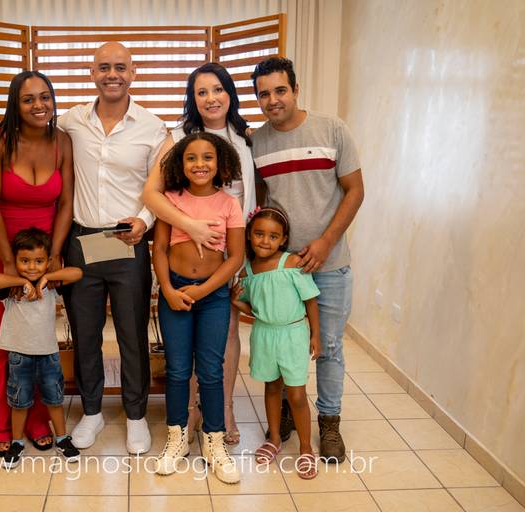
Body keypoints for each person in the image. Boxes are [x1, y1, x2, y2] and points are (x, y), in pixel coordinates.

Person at [0, 43, 167, 454]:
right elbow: (24, 121)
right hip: (81, 241)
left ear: (133, 72)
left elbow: (161, 186)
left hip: (125, 241)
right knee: (84, 333)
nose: (112, 74)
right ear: (91, 73)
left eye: (120, 67)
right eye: (104, 67)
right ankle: (91, 412)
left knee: (132, 333)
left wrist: (145, 221)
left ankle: (135, 416)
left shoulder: (153, 127)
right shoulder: (71, 122)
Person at [250, 57, 364, 463]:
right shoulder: (256, 142)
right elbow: (259, 204)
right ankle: (284, 409)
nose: (273, 100)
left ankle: (329, 422)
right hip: (281, 270)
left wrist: (326, 242)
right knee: (282, 343)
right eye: (264, 94)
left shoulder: (332, 129)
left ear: (296, 90)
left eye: (280, 90)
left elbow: (355, 190)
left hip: (328, 265)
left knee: (327, 346)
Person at [141, 62, 257, 445]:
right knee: (187, 344)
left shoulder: (246, 138)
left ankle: (224, 408)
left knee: (225, 335)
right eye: (201, 92)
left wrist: (241, 259)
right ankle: (189, 412)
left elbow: (249, 197)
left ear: (230, 94)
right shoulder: (178, 137)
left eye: (218, 89)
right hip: (184, 250)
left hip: (230, 249)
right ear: (192, 99)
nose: (211, 98)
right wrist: (190, 226)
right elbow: (152, 193)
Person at [0, 70, 74, 457]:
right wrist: (8, 264)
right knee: (4, 337)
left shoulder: (62, 141)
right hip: (0, 248)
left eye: (45, 97)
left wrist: (54, 254)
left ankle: (35, 420)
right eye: (28, 99)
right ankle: (0, 423)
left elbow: (65, 203)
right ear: (14, 104)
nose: (39, 105)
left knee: (38, 335)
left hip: (42, 251)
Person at [151, 132, 245, 484]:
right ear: (181, 164)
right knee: (177, 370)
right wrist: (168, 290)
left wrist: (203, 290)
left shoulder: (229, 204)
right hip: (174, 293)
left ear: (220, 163)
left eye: (207, 157)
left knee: (210, 371)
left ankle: (214, 442)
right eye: (191, 157)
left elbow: (235, 257)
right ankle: (177, 438)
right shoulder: (170, 200)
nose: (199, 164)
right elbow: (160, 249)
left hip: (213, 297)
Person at [230, 207, 320, 479]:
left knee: (296, 394)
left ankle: (306, 449)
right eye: (259, 234)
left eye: (273, 236)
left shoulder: (292, 264)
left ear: (283, 239)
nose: (265, 241)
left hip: (292, 335)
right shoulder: (247, 270)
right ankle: (275, 440)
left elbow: (310, 300)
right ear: (249, 235)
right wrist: (237, 302)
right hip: (264, 334)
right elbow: (255, 308)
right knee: (271, 387)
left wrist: (315, 334)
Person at [0, 228, 83, 467]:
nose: (32, 267)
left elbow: (77, 272)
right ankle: (17, 442)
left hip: (49, 355)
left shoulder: (49, 286)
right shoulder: (12, 289)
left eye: (39, 261)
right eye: (25, 261)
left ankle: (62, 438)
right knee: (19, 402)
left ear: (48, 261)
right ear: (15, 260)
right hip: (19, 357)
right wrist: (22, 281)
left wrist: (47, 277)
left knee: (54, 399)